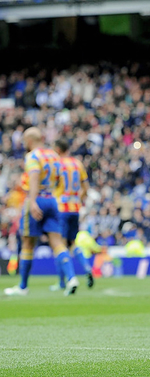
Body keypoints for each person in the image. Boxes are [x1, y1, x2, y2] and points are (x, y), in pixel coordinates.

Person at [4, 127, 79, 297]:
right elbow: (60, 178)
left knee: (28, 242)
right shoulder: (54, 155)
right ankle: (72, 278)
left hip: (36, 199)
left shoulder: (33, 156)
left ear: (29, 140)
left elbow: (34, 177)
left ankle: (23, 286)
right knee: (57, 242)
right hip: (52, 199)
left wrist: (33, 200)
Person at [50, 138, 93, 291]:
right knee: (72, 243)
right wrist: (78, 200)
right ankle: (87, 268)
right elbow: (86, 187)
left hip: (61, 208)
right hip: (75, 209)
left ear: (58, 149)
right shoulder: (77, 164)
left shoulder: (57, 165)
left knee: (59, 244)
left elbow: (52, 185)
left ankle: (66, 280)